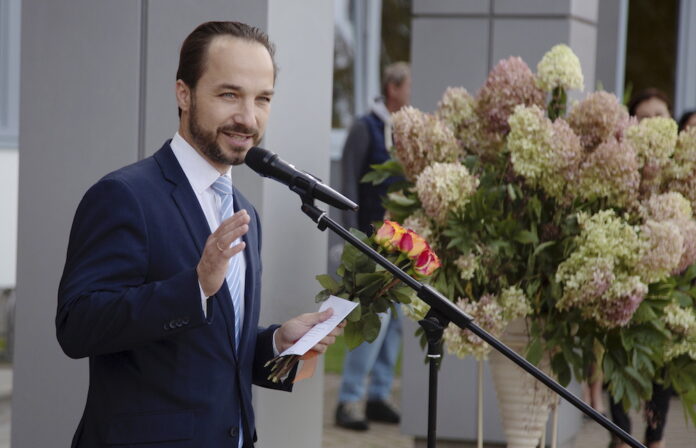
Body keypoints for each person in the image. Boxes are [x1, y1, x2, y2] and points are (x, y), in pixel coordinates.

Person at [56, 21, 342, 448]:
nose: (248, 117)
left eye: (262, 98)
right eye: (229, 94)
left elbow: (215, 354)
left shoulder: (244, 212)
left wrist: (276, 344)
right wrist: (194, 287)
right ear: (183, 94)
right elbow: (76, 326)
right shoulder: (124, 196)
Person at [335, 62, 411, 431]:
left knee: (396, 322)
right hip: (369, 243)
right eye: (409, 85)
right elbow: (347, 181)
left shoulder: (405, 131)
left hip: (402, 247)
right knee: (372, 322)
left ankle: (379, 395)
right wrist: (352, 239)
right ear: (393, 88)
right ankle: (349, 401)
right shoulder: (365, 128)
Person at [608, 88, 674, 448]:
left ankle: (656, 441)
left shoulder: (683, 170)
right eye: (644, 117)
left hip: (671, 286)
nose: (652, 124)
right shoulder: (619, 167)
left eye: (659, 116)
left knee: (663, 366)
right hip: (625, 283)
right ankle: (619, 438)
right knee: (618, 356)